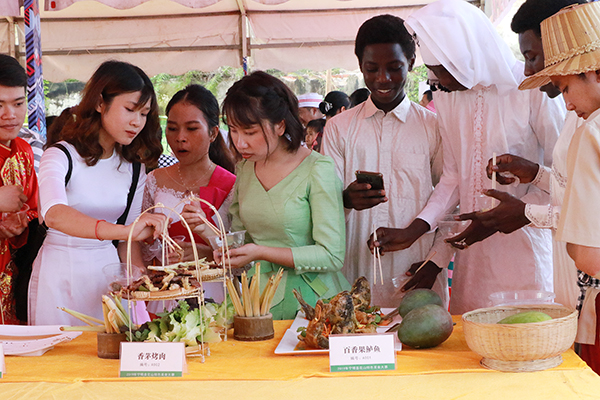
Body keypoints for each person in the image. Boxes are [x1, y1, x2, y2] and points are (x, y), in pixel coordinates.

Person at [378, 0, 565, 314]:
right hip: (471, 256)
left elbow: (563, 175)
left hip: (526, 248)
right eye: (435, 74)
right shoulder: (448, 96)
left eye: (446, 72)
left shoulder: (532, 86)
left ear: (468, 57)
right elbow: (456, 178)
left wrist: (523, 211)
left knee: (525, 337)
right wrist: (424, 235)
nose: (441, 83)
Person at [453, 0, 585, 311]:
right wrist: (534, 173)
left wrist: (526, 213)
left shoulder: (589, 120)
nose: (527, 71)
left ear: (562, 48)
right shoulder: (576, 114)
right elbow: (573, 186)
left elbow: (587, 208)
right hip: (574, 283)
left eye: (532, 57)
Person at [28, 61, 167, 326]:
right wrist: (125, 231)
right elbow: (54, 215)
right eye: (129, 109)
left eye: (144, 113)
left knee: (108, 359)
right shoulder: (59, 155)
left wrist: (136, 288)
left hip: (108, 275)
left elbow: (129, 243)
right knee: (59, 361)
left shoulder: (134, 169)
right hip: (59, 273)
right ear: (100, 103)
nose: (137, 122)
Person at [321, 14, 446, 307]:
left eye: (394, 68)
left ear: (412, 63)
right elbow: (323, 204)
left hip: (416, 273)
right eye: (372, 68)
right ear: (360, 66)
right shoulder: (339, 128)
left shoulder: (433, 127)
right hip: (353, 275)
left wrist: (436, 262)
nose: (383, 78)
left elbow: (449, 201)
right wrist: (346, 199)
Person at [213, 71, 349, 320]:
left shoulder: (317, 168)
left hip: (314, 303)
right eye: (233, 130)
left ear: (280, 125)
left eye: (250, 131)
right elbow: (243, 241)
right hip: (258, 304)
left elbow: (331, 255)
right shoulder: (244, 169)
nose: (240, 142)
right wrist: (214, 239)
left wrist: (261, 252)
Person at [519, 1, 600, 373]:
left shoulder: (591, 130)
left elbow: (588, 255)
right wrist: (535, 174)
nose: (566, 102)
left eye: (566, 87)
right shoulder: (584, 121)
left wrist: (524, 213)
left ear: (592, 72)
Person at [143, 84, 236, 302]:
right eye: (173, 128)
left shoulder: (232, 185)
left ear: (213, 133)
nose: (180, 138)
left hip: (215, 293)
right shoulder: (153, 180)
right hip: (165, 290)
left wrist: (205, 251)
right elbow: (140, 243)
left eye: (192, 129)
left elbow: (240, 251)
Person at [0, 54, 39, 324]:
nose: (10, 115)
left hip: (11, 282)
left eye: (18, 103)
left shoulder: (24, 152)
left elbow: (35, 210)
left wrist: (20, 224)